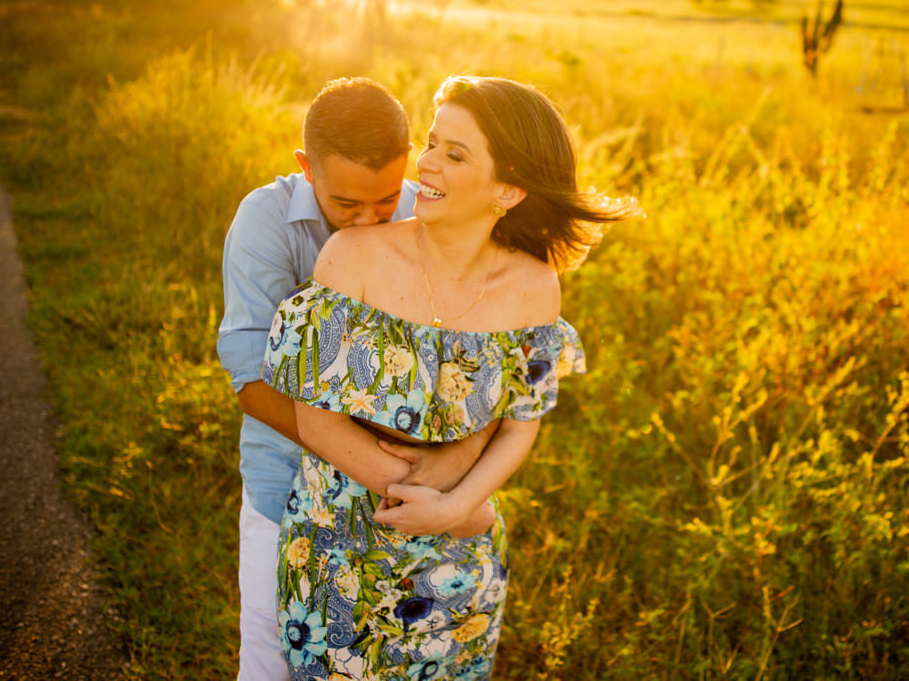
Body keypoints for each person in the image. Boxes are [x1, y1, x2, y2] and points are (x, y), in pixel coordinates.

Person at [261, 76, 634, 679]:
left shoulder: (533, 287)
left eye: (454, 154)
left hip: (461, 558)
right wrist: (429, 500)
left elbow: (519, 426)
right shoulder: (353, 257)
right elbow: (315, 417)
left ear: (508, 190)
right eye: (431, 143)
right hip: (339, 548)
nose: (425, 163)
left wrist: (459, 508)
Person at [218, 78, 493, 681]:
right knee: (273, 655)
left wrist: (444, 471)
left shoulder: (430, 213)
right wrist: (377, 465)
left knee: (381, 658)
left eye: (388, 196)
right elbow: (248, 372)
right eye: (346, 204)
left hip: (404, 501)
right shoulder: (265, 220)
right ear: (306, 168)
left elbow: (482, 346)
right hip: (283, 481)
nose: (369, 219)